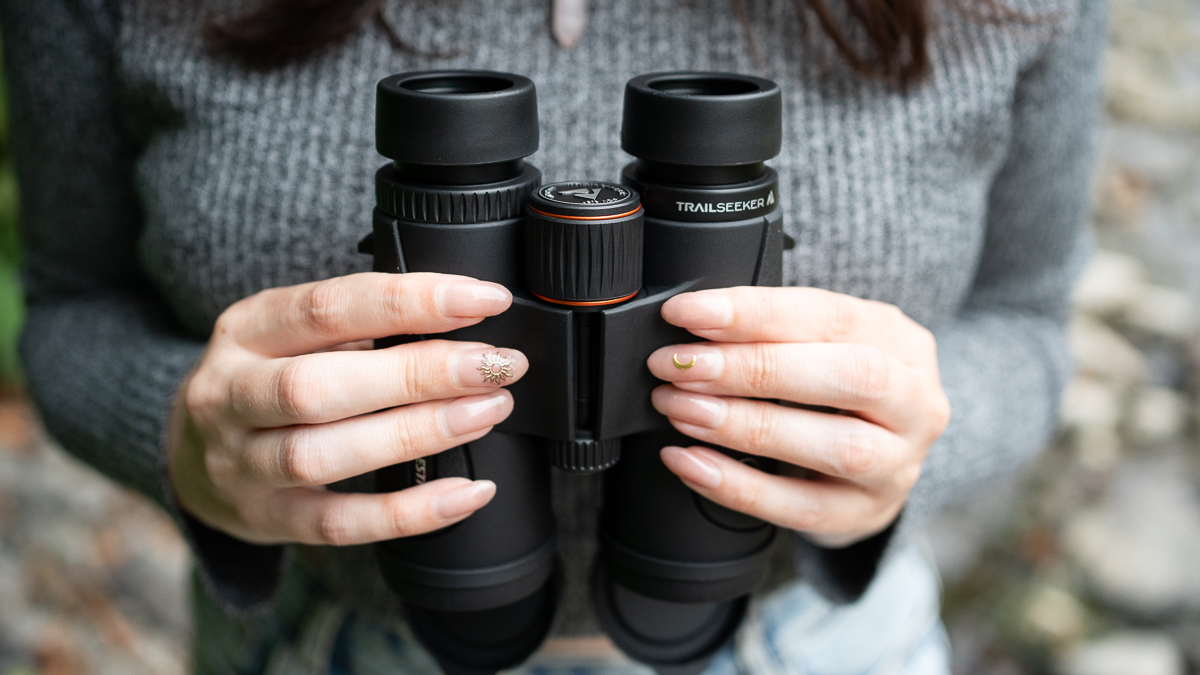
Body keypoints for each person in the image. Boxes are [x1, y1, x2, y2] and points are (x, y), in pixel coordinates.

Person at [1, 0, 1107, 672]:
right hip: (325, 643)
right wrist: (187, 436)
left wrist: (898, 442)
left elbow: (1026, 325)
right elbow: (70, 306)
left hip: (806, 644)